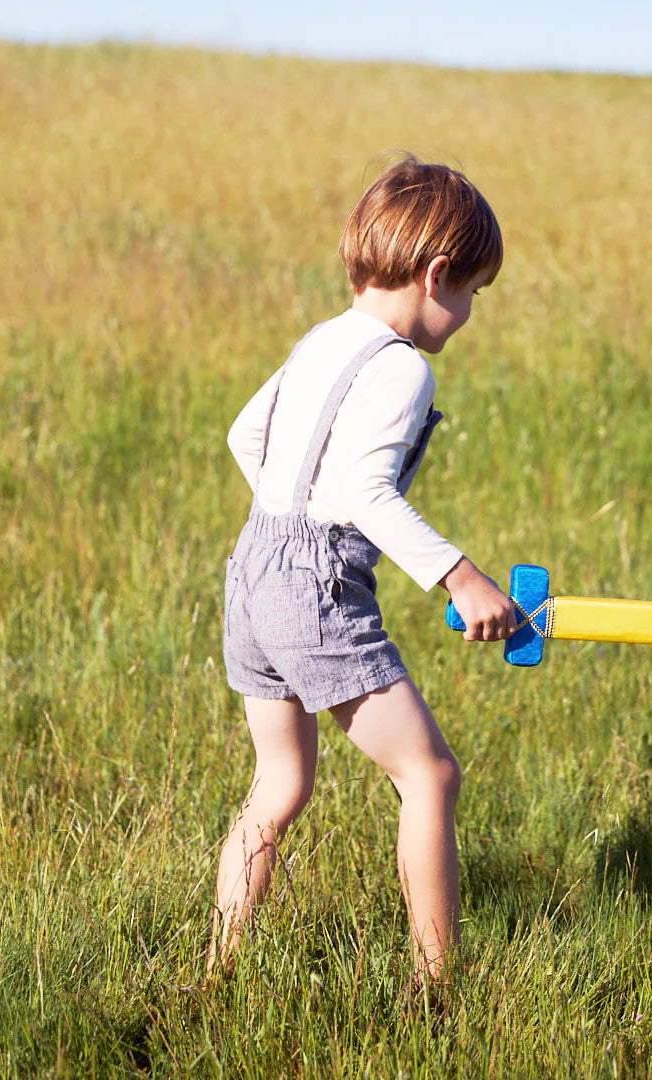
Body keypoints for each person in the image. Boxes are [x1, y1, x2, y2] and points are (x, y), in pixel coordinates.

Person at [208, 156, 516, 985]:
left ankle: (218, 970)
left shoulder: (321, 339)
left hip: (252, 568)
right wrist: (461, 577)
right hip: (313, 583)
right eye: (474, 293)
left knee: (279, 783)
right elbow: (363, 494)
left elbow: (245, 436)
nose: (470, 312)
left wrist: (285, 515)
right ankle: (435, 986)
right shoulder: (403, 366)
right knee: (429, 774)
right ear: (437, 275)